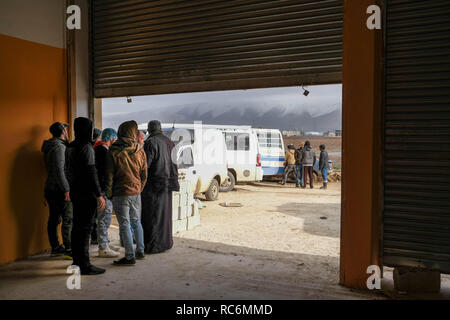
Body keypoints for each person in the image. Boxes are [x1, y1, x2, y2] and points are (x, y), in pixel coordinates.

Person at [66, 117, 106, 275]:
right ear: (88, 129)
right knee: (85, 229)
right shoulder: (87, 147)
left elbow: (67, 170)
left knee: (77, 228)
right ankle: (85, 265)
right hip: (86, 193)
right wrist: (99, 194)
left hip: (75, 191)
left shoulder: (70, 146)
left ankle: (77, 261)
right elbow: (91, 172)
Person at [108, 120, 147, 266]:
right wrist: (139, 188)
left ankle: (130, 256)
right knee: (136, 221)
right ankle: (141, 251)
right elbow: (144, 174)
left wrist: (109, 193)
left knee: (124, 224)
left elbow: (109, 175)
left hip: (121, 192)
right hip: (136, 192)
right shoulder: (139, 150)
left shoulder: (114, 150)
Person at [141, 120, 179, 254]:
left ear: (149, 130)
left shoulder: (151, 143)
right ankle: (167, 243)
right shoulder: (170, 142)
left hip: (153, 187)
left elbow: (145, 166)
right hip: (167, 185)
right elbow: (175, 165)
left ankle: (154, 246)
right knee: (165, 215)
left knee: (153, 216)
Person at [41, 122, 72, 257]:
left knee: (54, 219)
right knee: (68, 218)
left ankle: (56, 247)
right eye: (65, 129)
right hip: (59, 188)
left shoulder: (50, 146)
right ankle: (69, 248)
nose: (67, 131)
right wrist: (66, 190)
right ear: (62, 132)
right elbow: (60, 171)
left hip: (50, 187)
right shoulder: (59, 147)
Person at [94, 128, 120, 257]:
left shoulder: (97, 148)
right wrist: (103, 193)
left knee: (104, 218)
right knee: (104, 218)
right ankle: (103, 247)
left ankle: (105, 244)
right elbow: (104, 174)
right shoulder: (103, 152)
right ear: (112, 139)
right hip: (103, 191)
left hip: (100, 191)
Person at [90, 128, 103, 245]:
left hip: (87, 186)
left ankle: (93, 236)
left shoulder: (87, 147)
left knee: (92, 215)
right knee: (97, 214)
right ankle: (95, 237)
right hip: (96, 185)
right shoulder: (98, 149)